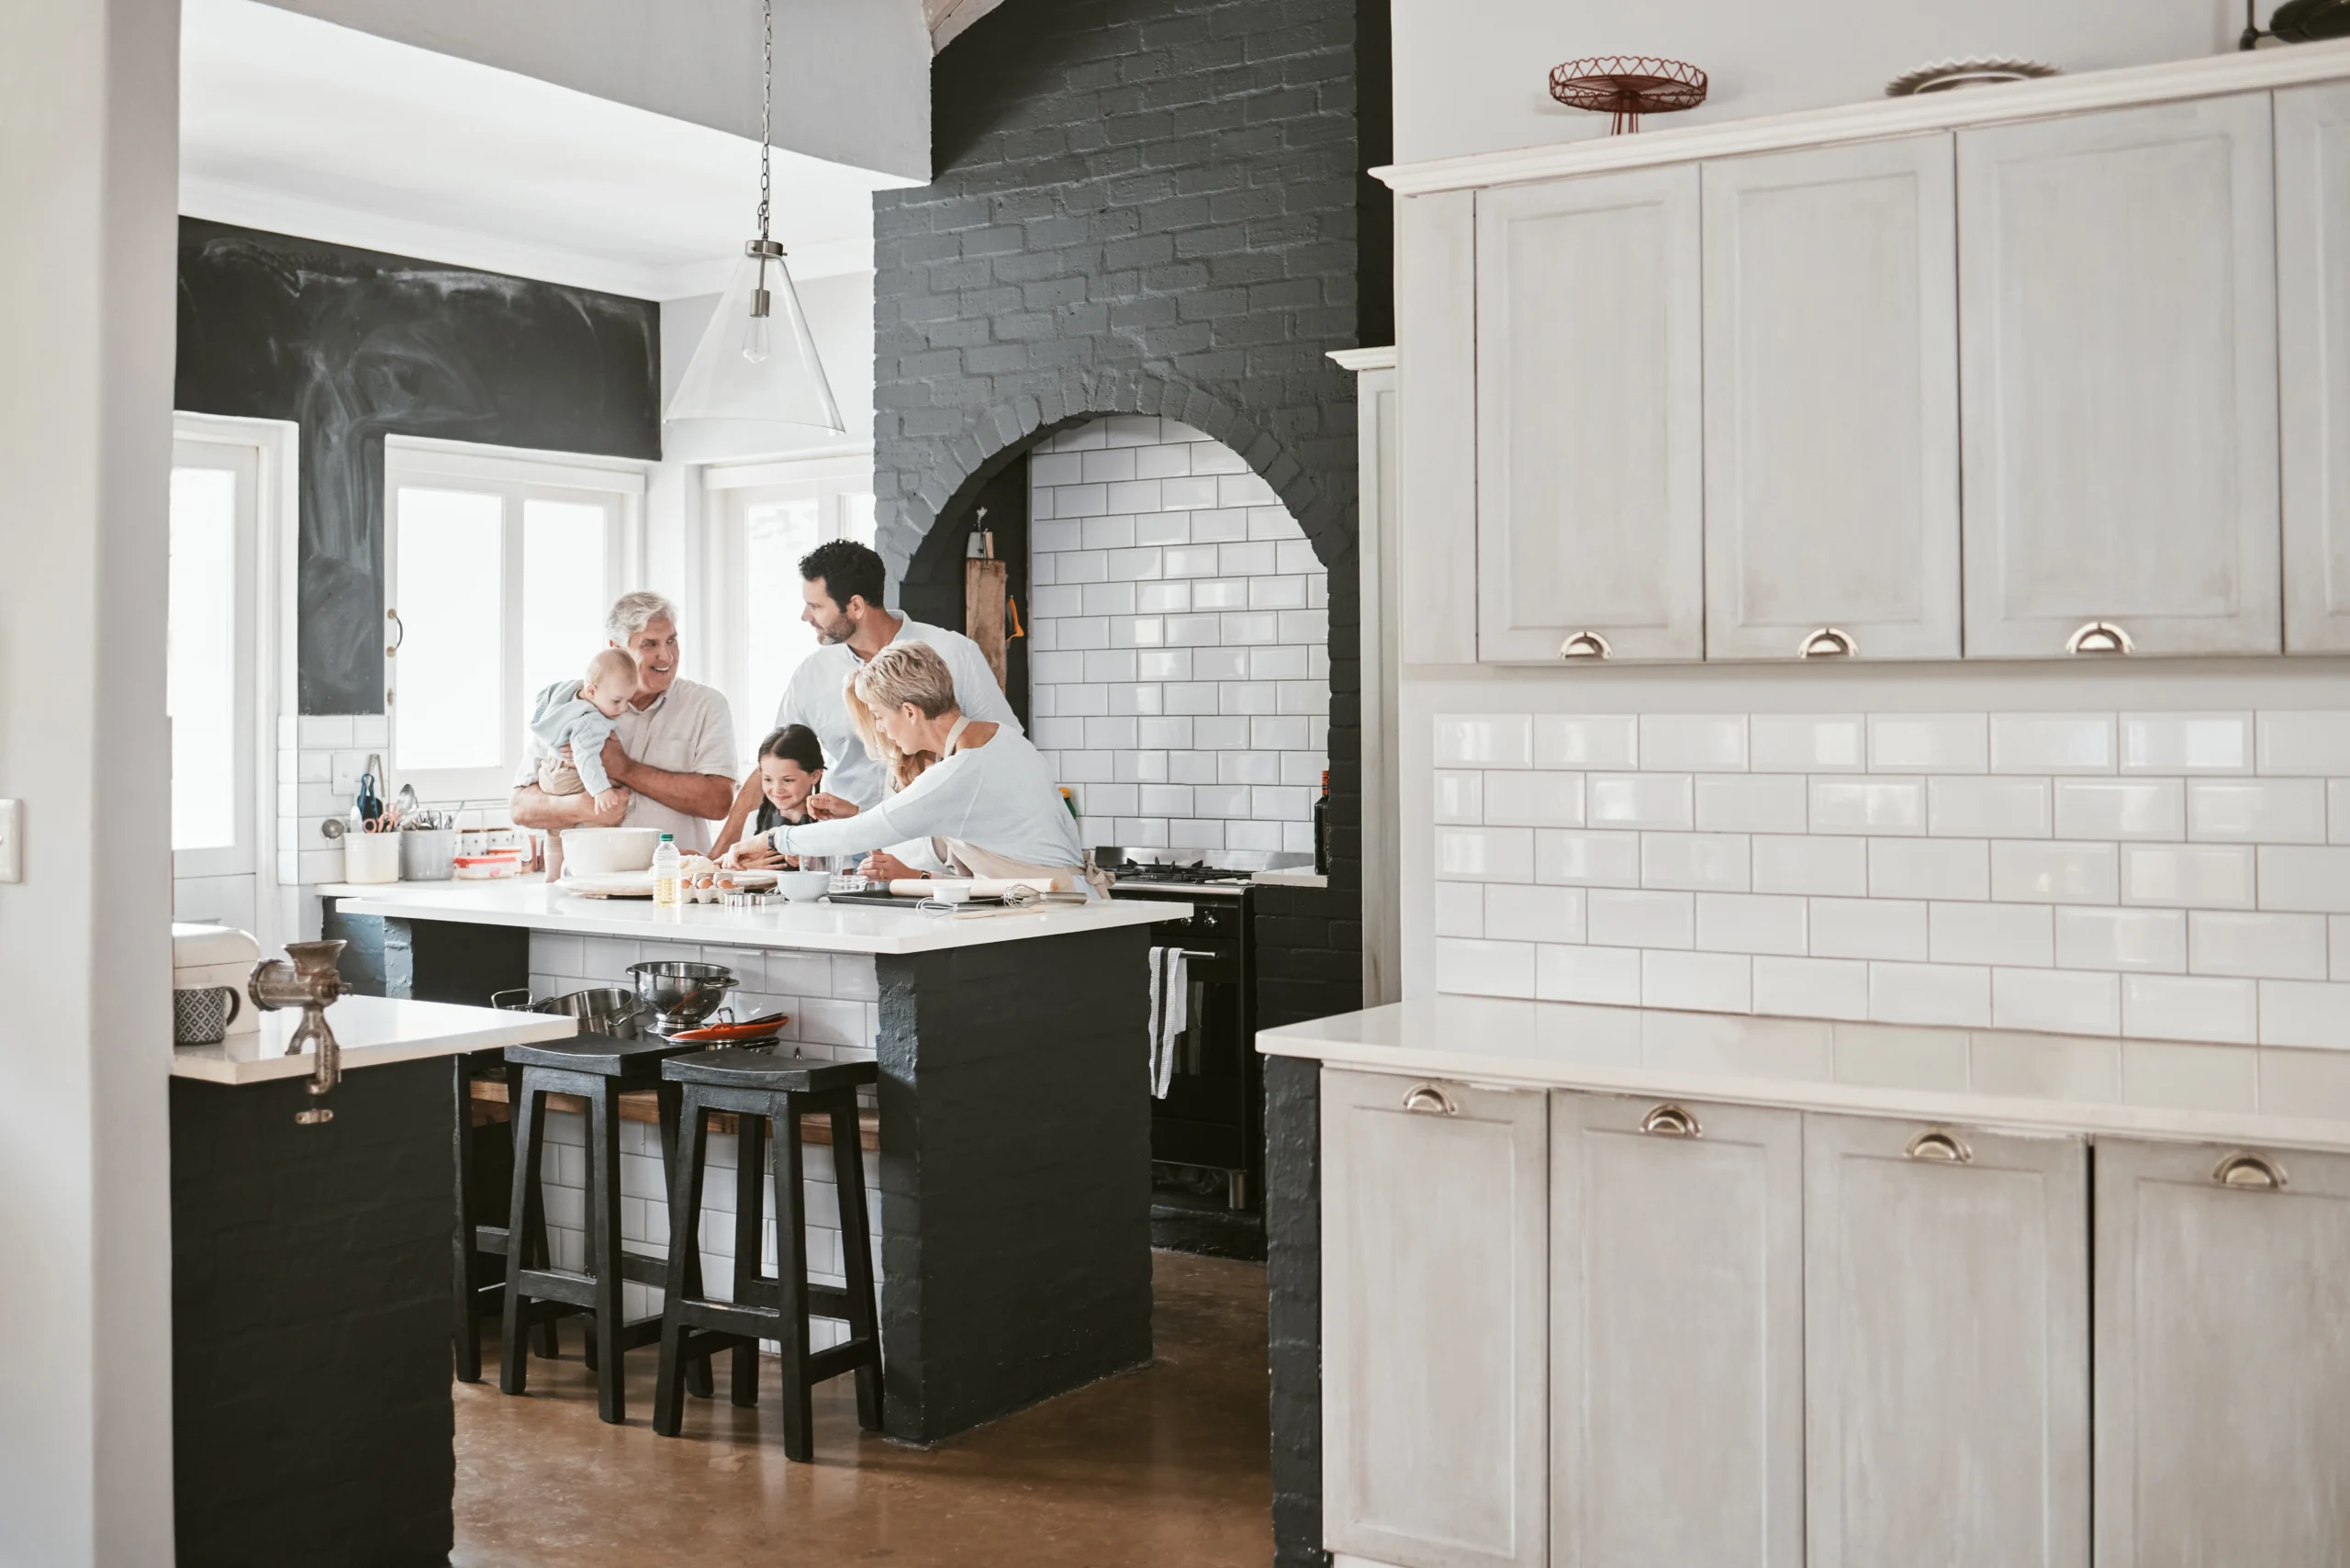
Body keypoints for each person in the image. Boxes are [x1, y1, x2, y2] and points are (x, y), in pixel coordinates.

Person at [713, 539, 1019, 853]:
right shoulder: (812, 674)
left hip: (933, 851)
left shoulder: (954, 654)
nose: (805, 616)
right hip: (843, 849)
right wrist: (718, 853)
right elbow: (772, 764)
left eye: (816, 606)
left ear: (856, 606)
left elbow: (1002, 747)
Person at [746, 641, 1089, 891]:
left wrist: (775, 838)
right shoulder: (1004, 739)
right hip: (1061, 900)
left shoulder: (961, 770)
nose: (880, 728)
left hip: (1053, 909)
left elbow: (863, 832)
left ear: (909, 712)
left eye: (880, 716)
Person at [509, 591, 739, 858]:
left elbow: (718, 802)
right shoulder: (572, 703)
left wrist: (624, 768)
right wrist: (581, 807)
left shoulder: (706, 705)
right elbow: (520, 807)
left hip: (673, 884)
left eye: (671, 641)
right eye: (649, 644)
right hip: (590, 884)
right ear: (617, 648)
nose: (666, 656)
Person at [527, 648, 638, 816]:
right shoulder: (591, 721)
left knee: (558, 832)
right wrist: (601, 790)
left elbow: (544, 696)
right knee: (601, 819)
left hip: (549, 768)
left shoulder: (568, 693)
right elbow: (586, 757)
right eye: (617, 700)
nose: (623, 708)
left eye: (628, 700)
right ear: (592, 691)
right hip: (571, 776)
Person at [714, 724, 826, 868]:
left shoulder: (829, 823)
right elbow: (740, 872)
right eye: (768, 779)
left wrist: (810, 864)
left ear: (815, 775)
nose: (777, 789)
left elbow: (846, 877)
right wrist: (750, 869)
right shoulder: (754, 820)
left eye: (788, 780)